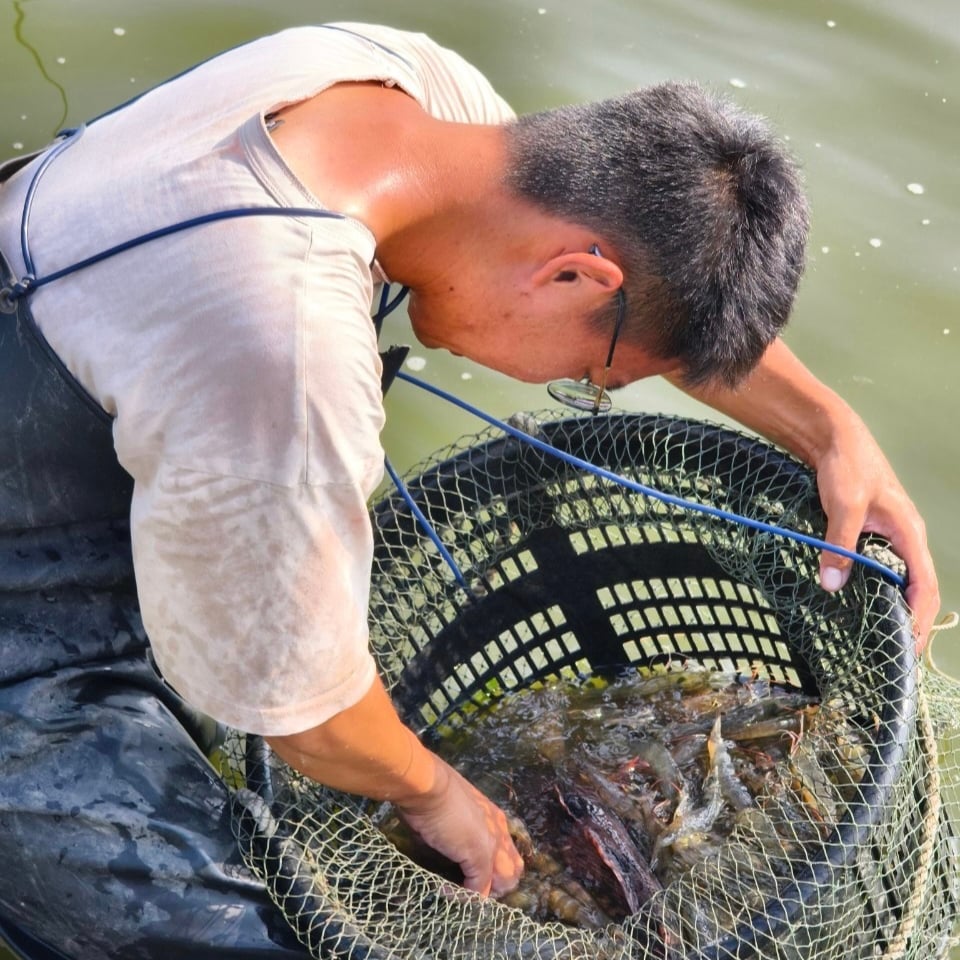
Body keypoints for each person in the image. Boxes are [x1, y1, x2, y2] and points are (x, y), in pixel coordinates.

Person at [0, 20, 939, 960]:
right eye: (592, 377)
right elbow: (304, 714)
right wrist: (437, 793)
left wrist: (831, 431)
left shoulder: (413, 92)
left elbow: (660, 275)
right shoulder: (285, 354)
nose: (575, 388)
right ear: (574, 274)